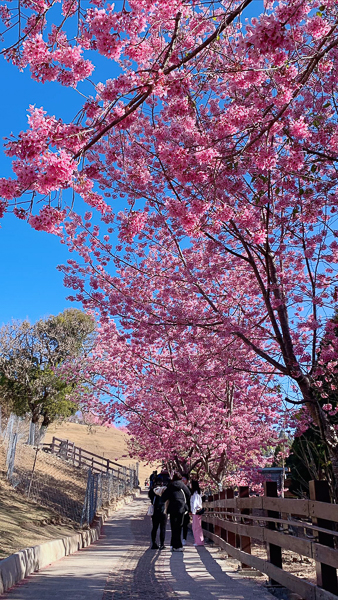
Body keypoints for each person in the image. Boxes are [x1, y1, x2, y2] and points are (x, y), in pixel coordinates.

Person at [161, 472, 191, 552]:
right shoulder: (182, 486)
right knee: (179, 526)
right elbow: (188, 494)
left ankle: (173, 545)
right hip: (181, 507)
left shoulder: (170, 486)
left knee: (173, 526)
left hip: (172, 508)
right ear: (180, 478)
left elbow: (164, 497)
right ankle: (178, 546)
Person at [148, 477, 168, 549]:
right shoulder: (164, 490)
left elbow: (150, 498)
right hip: (163, 511)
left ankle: (153, 543)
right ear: (162, 483)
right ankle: (162, 544)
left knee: (154, 528)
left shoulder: (152, 491)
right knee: (162, 528)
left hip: (155, 511)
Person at [190, 479, 204, 546]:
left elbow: (194, 504)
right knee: (197, 527)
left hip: (196, 512)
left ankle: (198, 541)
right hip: (196, 512)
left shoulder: (195, 494)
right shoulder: (197, 494)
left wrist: (192, 512)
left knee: (196, 527)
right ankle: (198, 540)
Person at [181, 474, 191, 546]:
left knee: (185, 525)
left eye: (184, 479)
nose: (183, 480)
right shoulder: (178, 488)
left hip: (186, 509)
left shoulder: (189, 489)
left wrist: (190, 510)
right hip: (179, 509)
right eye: (182, 479)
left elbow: (190, 500)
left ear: (187, 481)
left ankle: (184, 538)